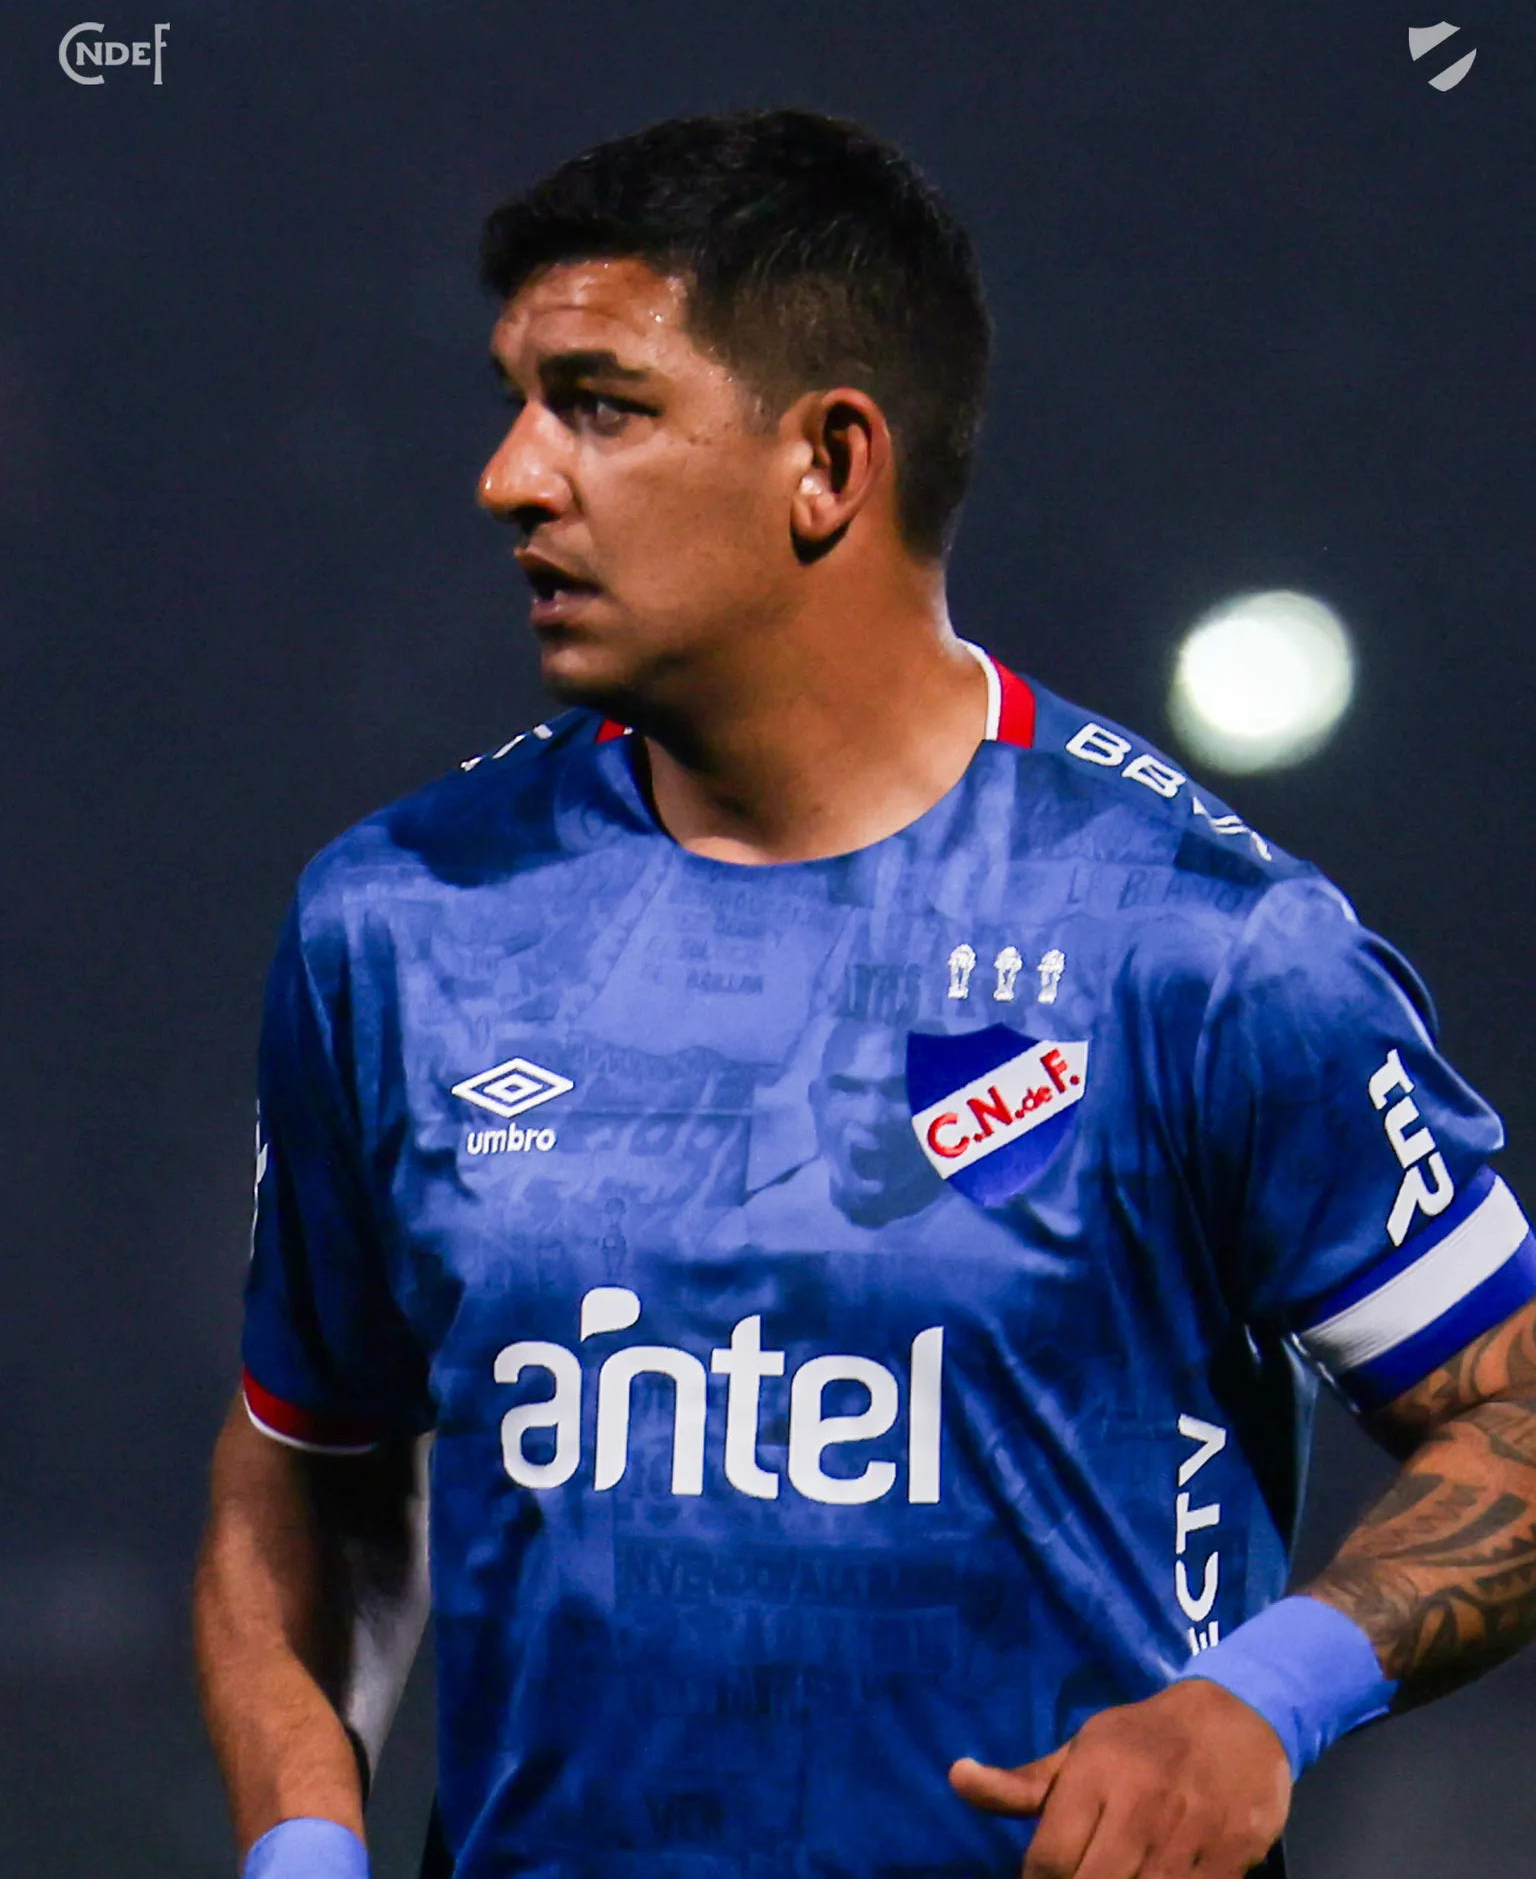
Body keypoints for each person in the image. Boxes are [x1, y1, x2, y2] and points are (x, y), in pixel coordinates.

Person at [194, 109, 1536, 1879]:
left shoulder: (1199, 947)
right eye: (517, 401)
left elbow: (1513, 1408)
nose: (510, 476)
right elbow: (306, 1456)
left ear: (829, 462)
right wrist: (303, 1848)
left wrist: (1265, 1700)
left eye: (600, 405)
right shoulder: (399, 926)